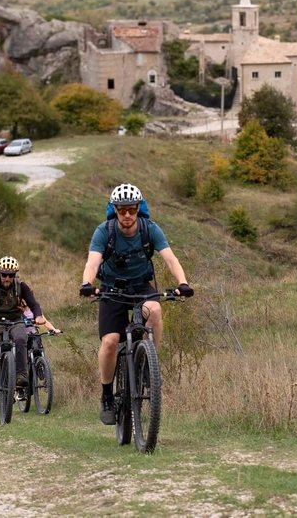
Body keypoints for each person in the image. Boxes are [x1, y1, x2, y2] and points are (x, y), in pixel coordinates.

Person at [80, 182, 194, 425]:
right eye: (122, 211)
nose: (128, 215)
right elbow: (92, 262)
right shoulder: (104, 231)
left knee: (154, 309)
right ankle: (107, 395)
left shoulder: (149, 229)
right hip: (111, 290)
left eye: (132, 209)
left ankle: (148, 362)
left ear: (139, 208)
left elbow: (171, 259)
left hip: (141, 287)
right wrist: (87, 283)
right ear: (114, 210)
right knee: (110, 341)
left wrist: (183, 283)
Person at [0, 256, 52, 409]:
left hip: (16, 321)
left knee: (21, 339)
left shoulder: (22, 286)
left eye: (11, 275)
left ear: (15, 275)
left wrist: (38, 316)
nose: (7, 278)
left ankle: (21, 376)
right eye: (4, 275)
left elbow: (34, 304)